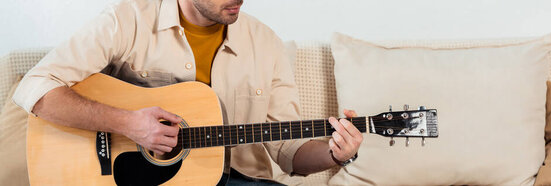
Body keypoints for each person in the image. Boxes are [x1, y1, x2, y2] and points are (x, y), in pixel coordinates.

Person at [12, 0, 363, 184]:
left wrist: (337, 154)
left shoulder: (266, 44)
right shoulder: (127, 18)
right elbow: (36, 87)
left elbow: (289, 152)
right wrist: (128, 123)